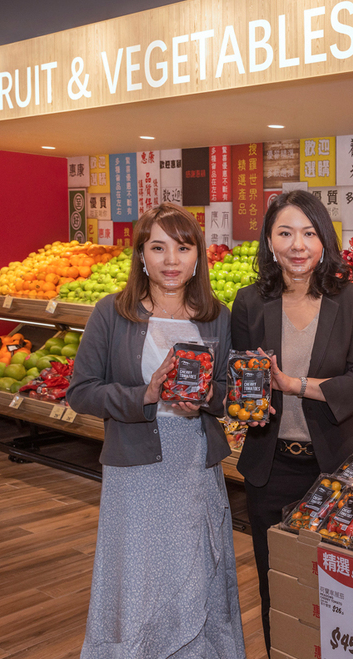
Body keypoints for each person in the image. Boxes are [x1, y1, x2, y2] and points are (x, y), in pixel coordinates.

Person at [68, 203, 245, 658]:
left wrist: (206, 399)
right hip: (135, 468)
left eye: (183, 248)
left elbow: (226, 390)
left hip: (193, 465)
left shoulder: (216, 316)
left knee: (195, 566)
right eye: (158, 247)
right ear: (141, 255)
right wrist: (144, 396)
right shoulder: (112, 313)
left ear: (197, 256)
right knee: (138, 573)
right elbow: (81, 392)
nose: (171, 260)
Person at [231, 190, 353, 653]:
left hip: (337, 468)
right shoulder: (249, 302)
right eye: (286, 233)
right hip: (269, 467)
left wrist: (293, 384)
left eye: (309, 233)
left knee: (344, 588)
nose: (298, 245)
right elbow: (239, 379)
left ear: (323, 241)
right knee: (277, 583)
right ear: (270, 243)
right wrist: (246, 389)